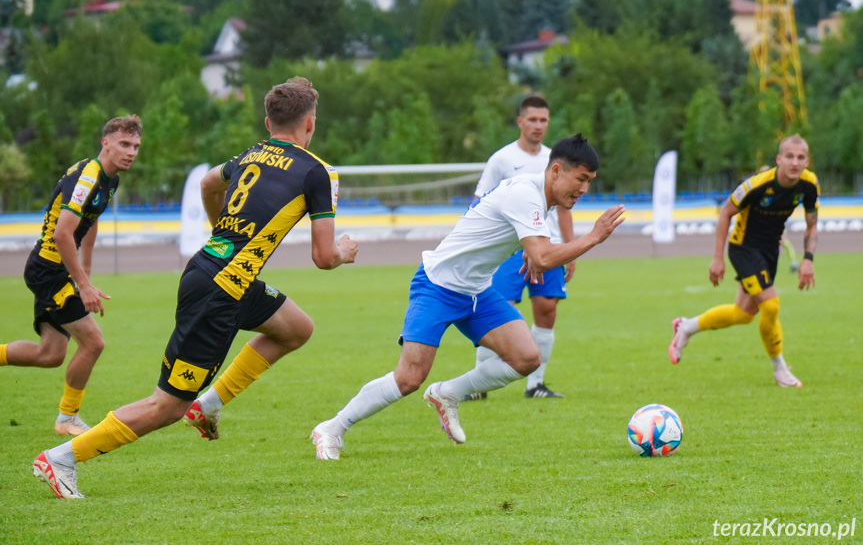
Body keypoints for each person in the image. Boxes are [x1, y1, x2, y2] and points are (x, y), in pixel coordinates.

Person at [32, 77, 359, 499]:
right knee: (165, 405)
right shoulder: (318, 172)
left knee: (297, 328)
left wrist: (220, 228)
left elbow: (208, 184)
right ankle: (62, 458)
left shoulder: (251, 153)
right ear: (310, 124)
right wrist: (344, 250)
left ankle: (209, 404)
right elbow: (323, 257)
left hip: (215, 274)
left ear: (267, 121)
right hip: (220, 291)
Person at [311, 134, 625, 460]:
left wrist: (535, 254)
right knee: (409, 377)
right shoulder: (525, 193)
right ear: (557, 171)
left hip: (476, 291)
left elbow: (529, 247)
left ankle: (448, 393)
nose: (585, 189)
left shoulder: (540, 197)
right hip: (438, 285)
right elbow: (543, 256)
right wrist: (594, 237)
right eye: (582, 179)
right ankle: (332, 428)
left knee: (526, 358)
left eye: (590, 181)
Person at [1, 116, 142, 436]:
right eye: (124, 144)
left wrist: (87, 272)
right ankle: (67, 418)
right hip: (49, 270)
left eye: (135, 146)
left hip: (57, 270)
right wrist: (83, 284)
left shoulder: (111, 179)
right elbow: (63, 234)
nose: (131, 152)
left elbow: (90, 221)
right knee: (93, 343)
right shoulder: (87, 178)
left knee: (50, 354)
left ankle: (66, 416)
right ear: (105, 143)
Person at [668, 135, 819, 387]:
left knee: (744, 314)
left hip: (770, 251)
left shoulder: (809, 184)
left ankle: (686, 327)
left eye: (800, 157)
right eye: (789, 157)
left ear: (807, 161)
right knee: (770, 306)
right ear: (779, 159)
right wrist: (718, 257)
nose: (795, 162)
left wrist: (808, 259)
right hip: (743, 248)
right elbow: (726, 212)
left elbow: (812, 225)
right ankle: (779, 367)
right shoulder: (756, 184)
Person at [464, 96, 574, 401]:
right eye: (533, 120)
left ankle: (535, 384)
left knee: (547, 309)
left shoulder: (556, 160)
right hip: (511, 249)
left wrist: (568, 246)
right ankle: (479, 385)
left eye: (543, 120)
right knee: (501, 309)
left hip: (548, 246)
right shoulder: (501, 159)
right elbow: (480, 201)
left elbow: (565, 207)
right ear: (520, 122)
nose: (538, 126)